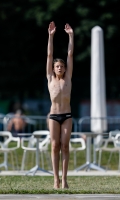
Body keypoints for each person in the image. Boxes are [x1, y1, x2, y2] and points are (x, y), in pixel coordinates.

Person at [46, 21, 74, 189]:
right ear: (53, 68)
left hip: (67, 115)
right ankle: (55, 179)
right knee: (54, 146)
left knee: (65, 145)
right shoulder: (50, 79)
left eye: (62, 66)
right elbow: (49, 55)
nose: (60, 68)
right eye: (57, 66)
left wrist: (71, 35)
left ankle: (64, 179)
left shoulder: (68, 79)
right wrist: (51, 36)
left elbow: (70, 54)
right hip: (54, 116)